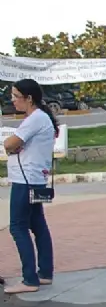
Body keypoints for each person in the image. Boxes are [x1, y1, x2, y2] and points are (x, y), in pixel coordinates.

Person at [3, 79, 56, 295]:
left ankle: (29, 279)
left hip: (25, 180)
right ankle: (44, 273)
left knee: (18, 226)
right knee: (37, 225)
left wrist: (12, 146)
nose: (13, 100)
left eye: (16, 96)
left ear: (29, 98)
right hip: (36, 179)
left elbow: (9, 144)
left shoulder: (35, 119)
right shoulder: (41, 118)